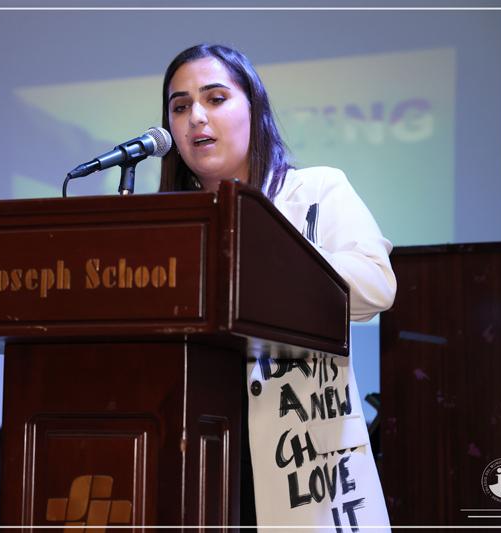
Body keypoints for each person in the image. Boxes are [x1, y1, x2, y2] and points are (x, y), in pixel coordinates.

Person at [159, 43, 396, 530]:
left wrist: (272, 256)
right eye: (180, 107)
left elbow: (376, 286)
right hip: (192, 456)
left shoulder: (317, 191)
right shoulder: (164, 226)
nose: (196, 117)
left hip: (301, 461)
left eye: (215, 99)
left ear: (255, 108)